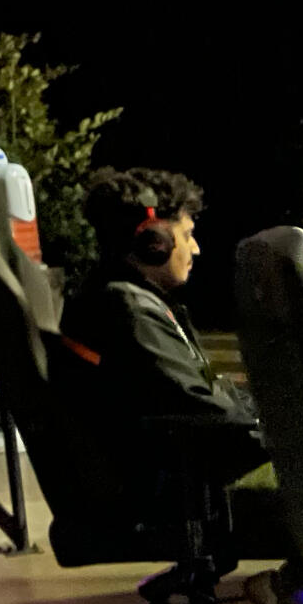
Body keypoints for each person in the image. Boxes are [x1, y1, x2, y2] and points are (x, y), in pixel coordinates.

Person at [61, 168, 271, 512]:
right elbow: (205, 413)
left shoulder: (133, 301)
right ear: (154, 242)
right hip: (165, 488)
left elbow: (199, 395)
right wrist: (283, 427)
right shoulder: (129, 309)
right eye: (187, 235)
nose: (196, 248)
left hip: (163, 476)